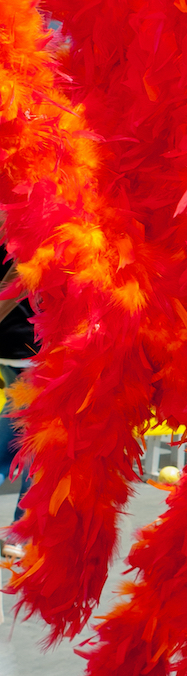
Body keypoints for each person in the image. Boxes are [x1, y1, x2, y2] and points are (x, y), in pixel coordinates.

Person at [0, 239, 35, 561]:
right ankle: (19, 532)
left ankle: (20, 531)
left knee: (19, 436)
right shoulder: (26, 229)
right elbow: (12, 286)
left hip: (21, 351)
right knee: (33, 444)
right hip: (25, 351)